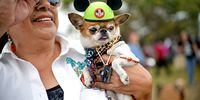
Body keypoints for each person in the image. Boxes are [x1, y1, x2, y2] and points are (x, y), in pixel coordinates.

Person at [0, 0, 152, 100]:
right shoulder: (3, 73)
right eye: (30, 0)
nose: (45, 4)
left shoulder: (97, 53)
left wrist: (145, 92)